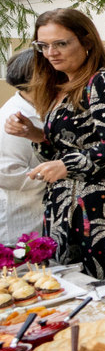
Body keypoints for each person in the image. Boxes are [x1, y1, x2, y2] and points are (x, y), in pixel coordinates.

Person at [2, 8, 105, 304]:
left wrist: (68, 165)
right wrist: (36, 134)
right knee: (80, 291)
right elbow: (71, 143)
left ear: (87, 42)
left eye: (61, 44)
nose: (50, 53)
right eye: (43, 46)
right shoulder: (62, 85)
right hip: (70, 208)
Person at [0, 50, 45, 245]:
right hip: (21, 222)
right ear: (38, 79)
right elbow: (7, 173)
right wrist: (57, 176)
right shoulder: (12, 117)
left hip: (40, 216)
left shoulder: (40, 108)